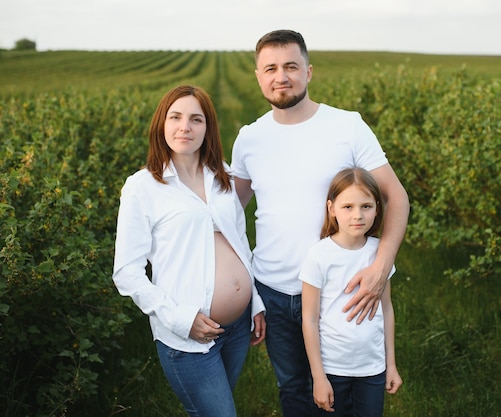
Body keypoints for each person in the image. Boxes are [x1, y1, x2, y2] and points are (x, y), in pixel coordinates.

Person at [231, 30, 410, 416]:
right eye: (271, 68)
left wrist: (380, 268)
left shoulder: (347, 126)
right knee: (295, 391)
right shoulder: (249, 138)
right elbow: (230, 213)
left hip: (341, 289)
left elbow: (396, 197)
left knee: (348, 391)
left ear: (309, 72)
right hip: (275, 291)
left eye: (291, 66)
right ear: (259, 76)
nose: (282, 76)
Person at [112, 85, 266, 417]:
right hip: (190, 336)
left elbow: (239, 240)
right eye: (176, 117)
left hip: (237, 328)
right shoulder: (143, 187)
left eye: (196, 119)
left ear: (208, 128)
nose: (185, 127)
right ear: (161, 124)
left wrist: (254, 301)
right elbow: (127, 272)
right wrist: (181, 320)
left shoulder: (221, 174)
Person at [300, 167, 402, 416]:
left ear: (377, 208)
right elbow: (310, 319)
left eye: (366, 206)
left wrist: (390, 365)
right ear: (331, 208)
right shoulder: (319, 255)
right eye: (348, 207)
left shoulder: (380, 253)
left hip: (372, 368)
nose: (358, 215)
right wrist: (319, 376)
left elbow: (386, 310)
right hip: (334, 368)